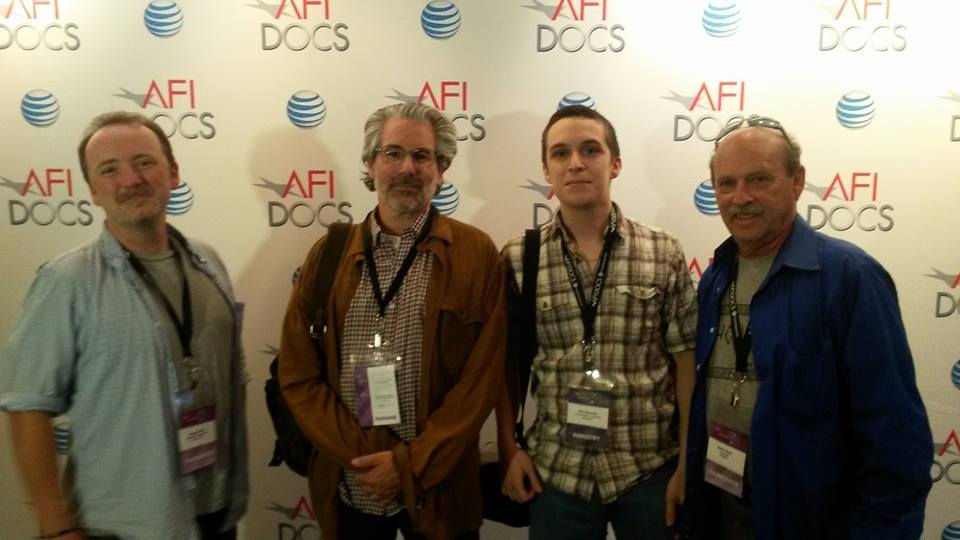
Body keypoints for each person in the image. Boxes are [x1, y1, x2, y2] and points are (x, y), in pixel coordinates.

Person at [681, 115, 933, 539]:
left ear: (797, 182)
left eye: (758, 179)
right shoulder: (716, 276)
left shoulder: (849, 278)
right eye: (726, 184)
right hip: (721, 501)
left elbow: (895, 440)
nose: (739, 197)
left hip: (810, 523)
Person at [1, 111, 248, 540]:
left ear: (173, 173)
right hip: (125, 523)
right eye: (110, 170)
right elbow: (28, 407)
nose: (130, 179)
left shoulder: (209, 264)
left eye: (144, 162)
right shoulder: (66, 281)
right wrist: (56, 525)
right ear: (94, 191)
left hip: (215, 512)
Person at [279, 102, 506, 540]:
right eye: (393, 153)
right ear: (370, 163)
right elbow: (298, 376)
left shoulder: (476, 254)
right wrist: (373, 462)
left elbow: (481, 381)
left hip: (439, 492)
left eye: (423, 156)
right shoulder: (326, 255)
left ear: (441, 169)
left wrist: (408, 466)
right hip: (353, 485)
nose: (408, 167)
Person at [496, 104, 698, 539]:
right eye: (560, 153)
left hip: (648, 467)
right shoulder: (518, 257)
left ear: (616, 163)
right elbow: (505, 367)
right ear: (547, 170)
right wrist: (509, 450)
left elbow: (686, 361)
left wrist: (687, 462)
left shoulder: (663, 251)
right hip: (557, 473)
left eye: (591, 149)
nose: (576, 163)